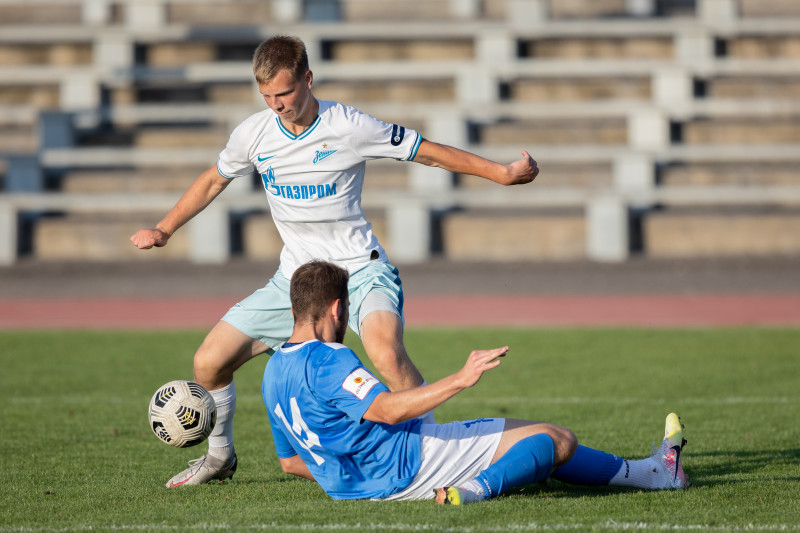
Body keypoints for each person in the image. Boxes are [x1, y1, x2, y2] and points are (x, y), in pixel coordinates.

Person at [130, 35, 540, 487]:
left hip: (360, 272)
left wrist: (500, 173)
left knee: (385, 352)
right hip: (297, 282)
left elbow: (428, 152)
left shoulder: (348, 126)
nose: (276, 105)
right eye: (266, 96)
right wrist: (164, 229)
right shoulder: (254, 133)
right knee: (208, 362)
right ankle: (220, 457)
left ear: (307, 79)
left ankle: (435, 453)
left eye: (284, 93)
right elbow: (213, 180)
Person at [263, 260, 690, 503]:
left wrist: (347, 478)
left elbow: (291, 462)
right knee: (558, 440)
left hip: (360, 486)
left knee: (524, 441)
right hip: (408, 464)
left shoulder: (271, 371)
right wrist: (461, 379)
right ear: (338, 309)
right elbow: (387, 410)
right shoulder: (328, 358)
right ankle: (472, 491)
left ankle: (654, 472)